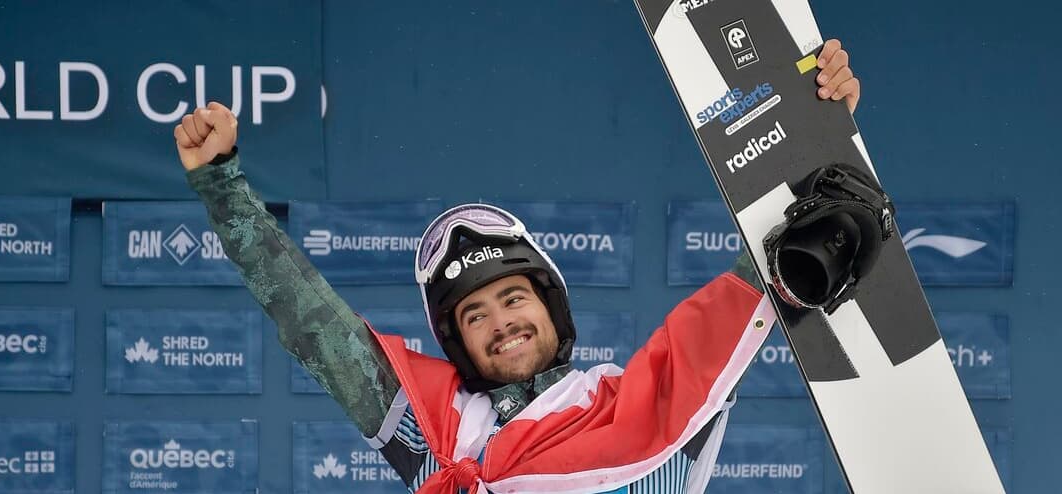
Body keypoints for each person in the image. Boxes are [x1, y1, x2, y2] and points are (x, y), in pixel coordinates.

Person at [175, 40, 861, 494]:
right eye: (474, 314)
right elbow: (308, 319)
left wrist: (814, 128)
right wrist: (223, 187)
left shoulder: (646, 401)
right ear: (458, 345)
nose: (500, 322)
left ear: (550, 304)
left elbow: (765, 275)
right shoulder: (435, 431)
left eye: (511, 297)